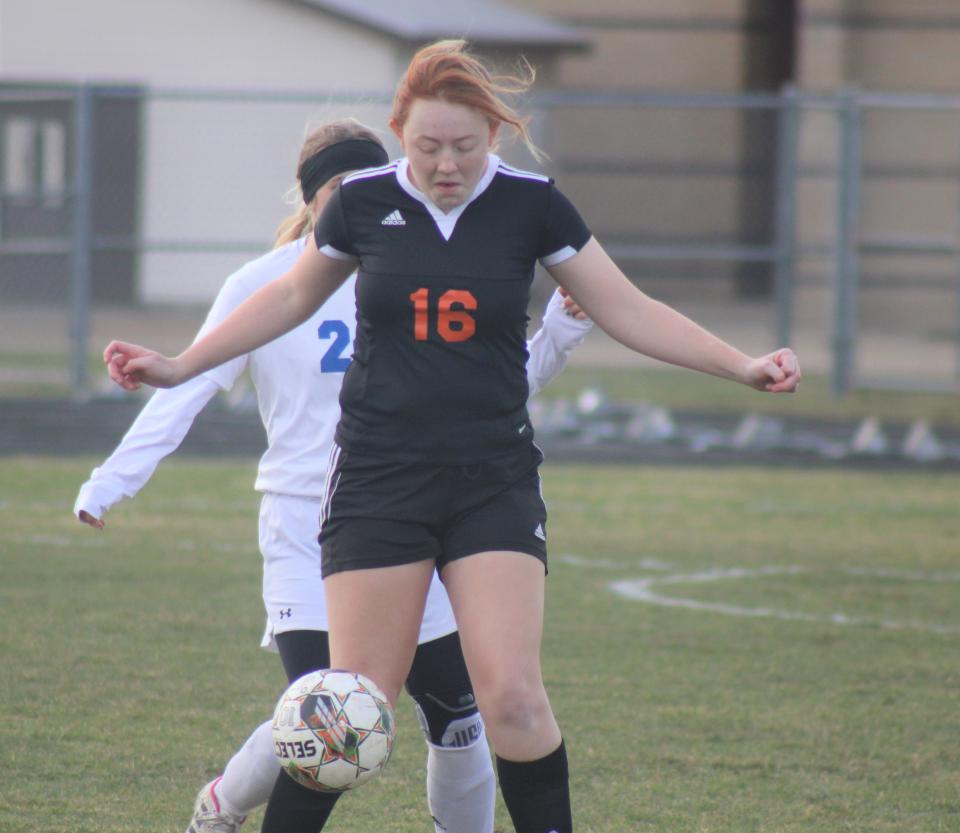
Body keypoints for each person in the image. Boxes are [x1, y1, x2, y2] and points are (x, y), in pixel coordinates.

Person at [103, 40, 800, 833]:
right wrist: (180, 363)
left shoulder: (533, 205)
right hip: (379, 483)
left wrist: (742, 364)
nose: (445, 163)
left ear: (493, 138)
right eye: (428, 145)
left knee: (511, 697)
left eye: (464, 146)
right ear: (400, 130)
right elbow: (288, 297)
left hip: (491, 480)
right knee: (345, 711)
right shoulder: (361, 201)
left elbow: (628, 306)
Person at [76, 118, 592, 833]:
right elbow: (185, 386)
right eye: (338, 189)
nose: (356, 198)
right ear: (314, 198)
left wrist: (560, 335)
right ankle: (223, 805)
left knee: (462, 715)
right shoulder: (262, 284)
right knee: (329, 721)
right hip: (308, 524)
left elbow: (495, 387)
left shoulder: (409, 262)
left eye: (365, 183)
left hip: (430, 511)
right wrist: (110, 482)